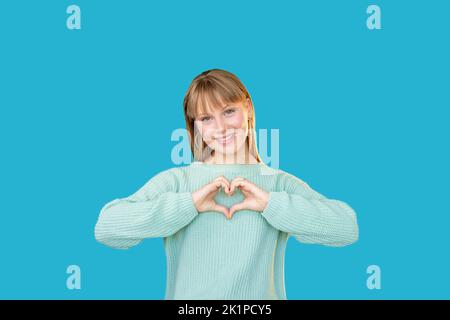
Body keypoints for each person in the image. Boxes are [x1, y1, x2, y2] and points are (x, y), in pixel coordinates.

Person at [94, 69, 359, 300]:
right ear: (194, 125)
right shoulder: (178, 182)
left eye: (228, 111)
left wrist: (270, 204)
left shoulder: (277, 183)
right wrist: (189, 204)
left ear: (247, 108)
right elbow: (107, 228)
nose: (220, 127)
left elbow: (347, 228)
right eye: (206, 118)